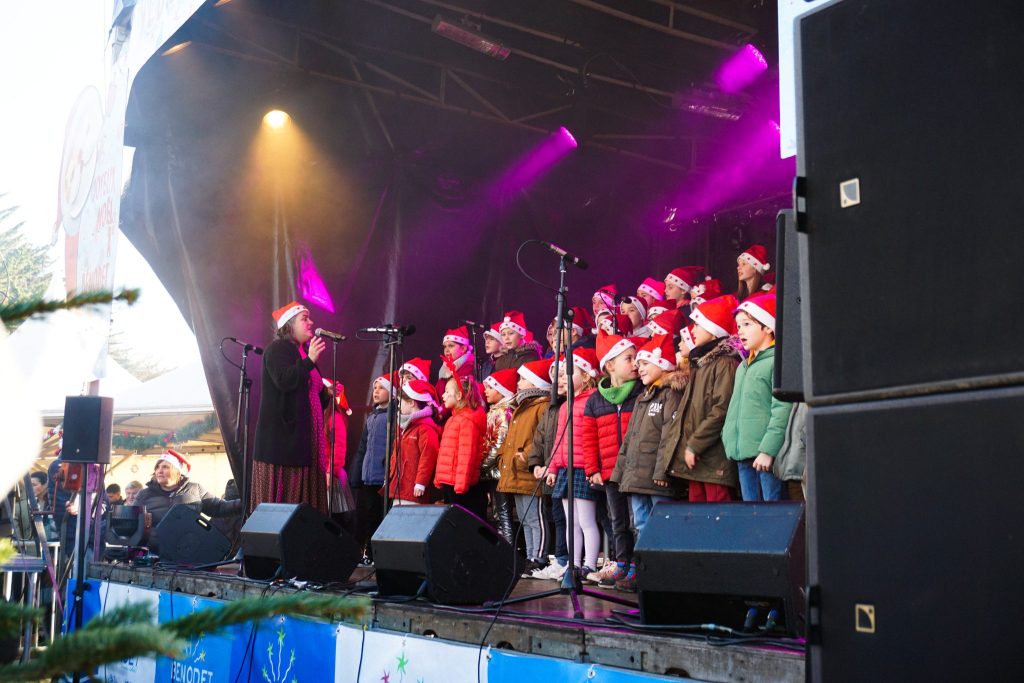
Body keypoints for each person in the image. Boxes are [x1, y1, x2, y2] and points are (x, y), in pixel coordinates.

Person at [609, 335, 683, 591]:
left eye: (645, 363)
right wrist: (620, 473)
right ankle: (643, 570)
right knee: (639, 524)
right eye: (637, 363)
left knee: (660, 525)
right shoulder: (643, 397)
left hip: (657, 477)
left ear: (662, 364)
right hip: (637, 478)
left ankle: (664, 571)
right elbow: (629, 440)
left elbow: (670, 435)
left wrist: (663, 469)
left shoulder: (670, 394)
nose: (639, 368)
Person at [656, 295, 742, 502]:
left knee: (718, 518)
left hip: (713, 459)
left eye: (697, 325)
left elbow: (721, 409)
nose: (692, 330)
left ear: (713, 330)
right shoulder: (700, 364)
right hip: (697, 459)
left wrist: (695, 444)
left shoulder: (725, 365)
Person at [251, 300, 331, 514]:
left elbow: (308, 396)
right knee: (286, 501)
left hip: (308, 439)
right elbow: (284, 380)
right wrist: (310, 361)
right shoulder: (278, 349)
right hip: (284, 442)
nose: (311, 322)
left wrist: (326, 393)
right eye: (305, 318)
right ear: (289, 325)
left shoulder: (303, 353)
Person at [582, 331, 643, 588]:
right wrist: (592, 468)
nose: (635, 364)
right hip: (609, 471)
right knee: (617, 520)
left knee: (635, 519)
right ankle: (623, 563)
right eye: (628, 358)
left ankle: (639, 566)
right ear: (610, 365)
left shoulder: (641, 392)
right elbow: (588, 438)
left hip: (634, 470)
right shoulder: (596, 400)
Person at [722, 294, 792, 501]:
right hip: (743, 455)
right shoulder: (743, 366)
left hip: (765, 456)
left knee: (772, 515)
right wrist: (729, 438)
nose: (740, 330)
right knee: (751, 514)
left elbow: (782, 409)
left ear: (768, 328)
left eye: (747, 324)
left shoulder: (776, 362)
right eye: (738, 325)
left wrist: (768, 450)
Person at [544, 348, 601, 580]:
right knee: (571, 522)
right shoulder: (566, 405)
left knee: (587, 520)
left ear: (586, 376)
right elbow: (560, 440)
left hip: (583, 468)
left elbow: (592, 438)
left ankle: (590, 564)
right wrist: (553, 468)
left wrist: (592, 468)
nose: (564, 377)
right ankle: (573, 564)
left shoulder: (593, 400)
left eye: (571, 371)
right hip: (566, 469)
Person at [498, 358, 552, 575]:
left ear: (535, 382)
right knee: (523, 518)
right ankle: (529, 557)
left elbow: (542, 437)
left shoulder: (541, 406)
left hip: (529, 471)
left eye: (523, 379)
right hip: (516, 472)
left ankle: (538, 557)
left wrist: (525, 456)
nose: (518, 382)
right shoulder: (522, 406)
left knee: (534, 517)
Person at [134, 450, 241, 552]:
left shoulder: (195, 489)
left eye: (165, 467)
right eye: (157, 467)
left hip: (189, 552)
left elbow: (219, 508)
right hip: (156, 554)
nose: (159, 471)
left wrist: (247, 502)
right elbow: (134, 524)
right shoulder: (144, 495)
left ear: (178, 471)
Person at [348, 374, 393, 561]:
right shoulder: (372, 417)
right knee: (363, 517)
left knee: (377, 517)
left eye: (381, 388)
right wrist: (356, 474)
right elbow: (362, 447)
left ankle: (376, 555)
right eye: (374, 388)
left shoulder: (392, 416)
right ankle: (362, 553)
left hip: (381, 478)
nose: (376, 391)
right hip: (367, 476)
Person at [434, 374, 488, 519]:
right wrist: (439, 478)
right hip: (450, 482)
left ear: (458, 395)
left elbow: (466, 454)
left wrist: (461, 485)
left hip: (459, 487)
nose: (443, 396)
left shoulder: (467, 421)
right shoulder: (453, 419)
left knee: (462, 522)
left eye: (446, 392)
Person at [388, 380, 442, 506]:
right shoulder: (404, 427)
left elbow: (428, 457)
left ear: (412, 403)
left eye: (401, 402)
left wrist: (421, 482)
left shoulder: (425, 428)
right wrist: (390, 476)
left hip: (413, 490)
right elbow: (395, 455)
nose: (398, 406)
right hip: (399, 488)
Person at [480, 369, 518, 541]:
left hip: (499, 471)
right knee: (498, 513)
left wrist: (484, 464)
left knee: (503, 513)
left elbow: (499, 443)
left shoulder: (504, 413)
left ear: (501, 389)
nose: (485, 391)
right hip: (493, 471)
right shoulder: (495, 411)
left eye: (490, 387)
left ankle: (508, 550)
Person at [13, 471, 57, 543]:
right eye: (28, 485)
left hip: (54, 548)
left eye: (33, 485)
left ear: (45, 485)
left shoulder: (55, 504)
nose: (29, 488)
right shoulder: (25, 506)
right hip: (32, 549)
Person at [437, 327, 477, 398]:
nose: (446, 350)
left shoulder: (468, 367)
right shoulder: (444, 369)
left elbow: (462, 396)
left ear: (463, 348)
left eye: (451, 346)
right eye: (445, 347)